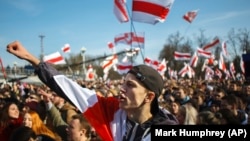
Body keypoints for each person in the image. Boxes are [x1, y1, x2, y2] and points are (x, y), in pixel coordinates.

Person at [7, 41, 178, 141]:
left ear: (149, 97)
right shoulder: (110, 110)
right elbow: (68, 88)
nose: (122, 89)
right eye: (123, 83)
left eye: (131, 85)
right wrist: (31, 58)